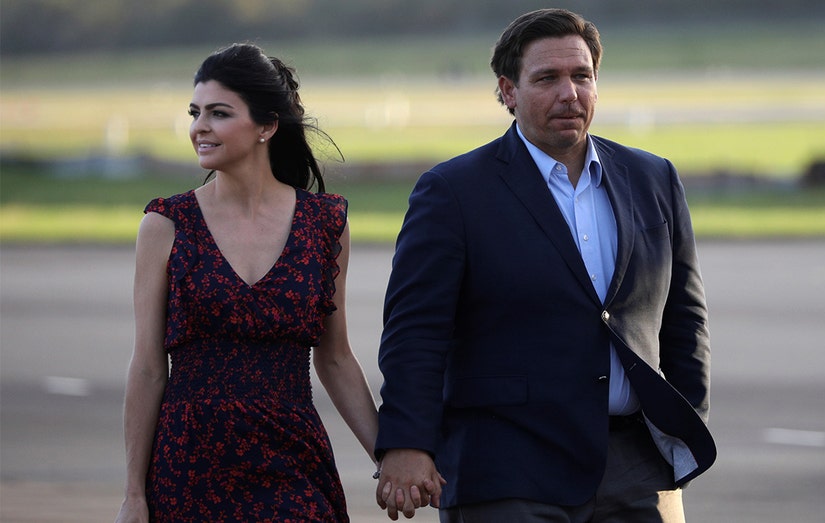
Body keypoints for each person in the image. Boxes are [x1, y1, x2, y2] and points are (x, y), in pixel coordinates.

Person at [374, 9, 715, 522]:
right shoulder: (453, 192)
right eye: (547, 78)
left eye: (582, 76)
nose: (569, 93)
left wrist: (682, 421)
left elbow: (685, 319)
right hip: (507, 464)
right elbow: (415, 333)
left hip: (636, 467)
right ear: (508, 91)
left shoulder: (653, 178)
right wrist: (406, 441)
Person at [115, 43, 379, 522]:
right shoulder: (165, 224)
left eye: (219, 113)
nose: (199, 127)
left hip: (292, 458)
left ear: (267, 126)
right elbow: (149, 367)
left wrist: (390, 457)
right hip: (189, 465)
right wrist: (134, 493)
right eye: (195, 113)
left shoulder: (324, 223)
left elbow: (335, 356)